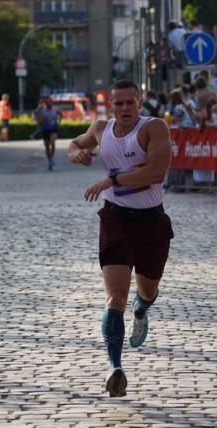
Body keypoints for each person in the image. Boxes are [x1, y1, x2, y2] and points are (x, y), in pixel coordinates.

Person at [68, 79, 173, 398]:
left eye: (130, 102)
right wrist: (76, 154)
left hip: (151, 222)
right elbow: (75, 143)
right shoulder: (101, 129)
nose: (125, 108)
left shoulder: (154, 128)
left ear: (139, 102)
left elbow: (156, 172)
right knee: (115, 298)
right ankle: (115, 367)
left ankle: (143, 311)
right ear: (110, 105)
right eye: (119, 103)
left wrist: (111, 178)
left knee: (148, 290)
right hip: (115, 218)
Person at [40, 97, 61, 170]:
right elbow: (40, 121)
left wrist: (59, 123)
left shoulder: (55, 109)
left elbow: (60, 114)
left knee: (52, 143)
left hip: (53, 129)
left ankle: (52, 157)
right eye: (46, 103)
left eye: (49, 103)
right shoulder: (43, 111)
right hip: (45, 129)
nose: (47, 105)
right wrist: (42, 120)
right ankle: (49, 161)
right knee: (46, 147)